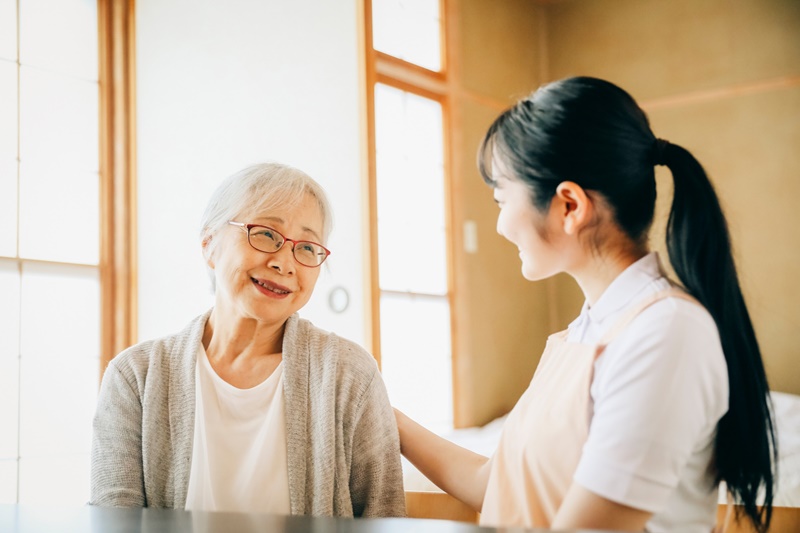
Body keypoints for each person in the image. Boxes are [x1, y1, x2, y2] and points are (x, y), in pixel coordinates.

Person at [395, 77, 776, 533]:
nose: (499, 225)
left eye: (502, 199)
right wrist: (382, 413)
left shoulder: (668, 332)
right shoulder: (586, 330)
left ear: (570, 206)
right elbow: (499, 483)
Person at [90, 162, 405, 518]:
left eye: (306, 247)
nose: (284, 263)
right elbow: (113, 521)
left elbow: (384, 516)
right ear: (209, 245)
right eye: (267, 234)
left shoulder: (349, 374)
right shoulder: (135, 378)